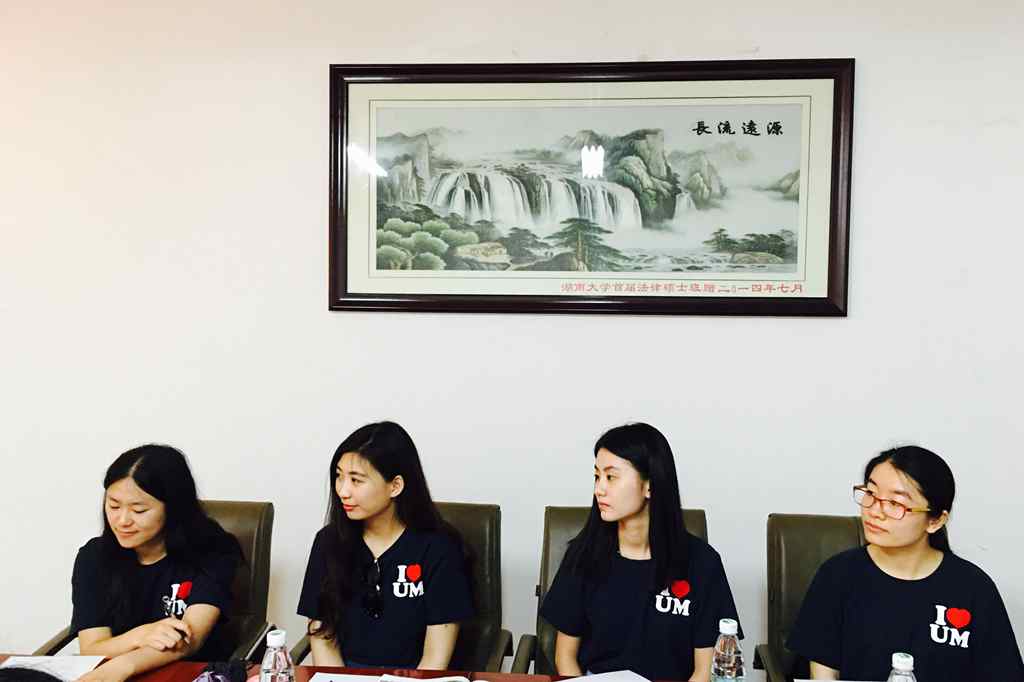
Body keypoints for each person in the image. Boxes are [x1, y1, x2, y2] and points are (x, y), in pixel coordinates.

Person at [788, 445, 1024, 680]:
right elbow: (822, 677)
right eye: (871, 493)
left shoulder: (974, 589)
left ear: (935, 521)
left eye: (895, 504)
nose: (875, 511)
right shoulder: (837, 575)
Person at [540, 423, 743, 682]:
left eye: (611, 477)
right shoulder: (583, 555)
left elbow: (704, 671)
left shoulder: (702, 563)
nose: (599, 489)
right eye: (597, 476)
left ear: (650, 485)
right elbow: (565, 658)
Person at [297, 421, 473, 669]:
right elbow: (323, 639)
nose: (343, 491)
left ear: (395, 486)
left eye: (356, 480)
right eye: (339, 476)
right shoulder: (328, 542)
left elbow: (435, 658)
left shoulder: (439, 547)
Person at [71, 445, 241, 682]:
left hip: (191, 675)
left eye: (139, 510)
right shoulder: (94, 557)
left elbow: (189, 640)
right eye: (114, 505)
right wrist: (140, 635)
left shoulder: (214, 551)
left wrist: (122, 667)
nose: (122, 520)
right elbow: (91, 648)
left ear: (174, 509)